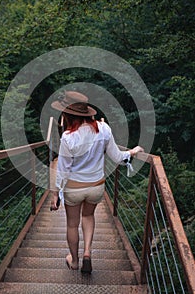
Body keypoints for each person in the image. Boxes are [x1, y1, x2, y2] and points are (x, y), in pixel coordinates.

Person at [51, 91, 144, 274]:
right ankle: (87, 253)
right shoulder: (103, 129)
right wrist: (131, 153)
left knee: (72, 224)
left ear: (68, 115)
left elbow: (63, 169)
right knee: (88, 217)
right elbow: (116, 156)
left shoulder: (68, 138)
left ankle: (75, 261)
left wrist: (55, 193)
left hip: (74, 188)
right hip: (96, 186)